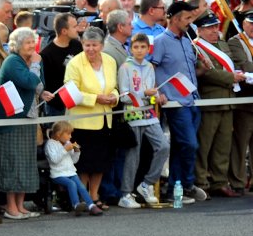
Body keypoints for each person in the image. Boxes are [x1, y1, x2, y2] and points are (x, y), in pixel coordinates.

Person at [149, 1, 208, 202]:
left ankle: (175, 190)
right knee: (190, 144)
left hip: (193, 101)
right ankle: (187, 184)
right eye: (187, 18)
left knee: (180, 146)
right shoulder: (160, 42)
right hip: (176, 104)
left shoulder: (187, 41)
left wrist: (203, 69)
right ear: (175, 19)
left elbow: (189, 73)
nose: (190, 22)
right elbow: (151, 68)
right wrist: (157, 91)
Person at [0, 27, 50, 219]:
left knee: (26, 163)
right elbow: (29, 82)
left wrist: (43, 92)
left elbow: (38, 83)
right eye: (27, 42)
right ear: (17, 45)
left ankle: (21, 205)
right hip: (12, 120)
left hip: (28, 118)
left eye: (33, 42)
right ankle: (11, 207)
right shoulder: (12, 61)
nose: (32, 46)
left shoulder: (31, 61)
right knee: (12, 162)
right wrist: (35, 65)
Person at [63, 27, 119, 208]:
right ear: (82, 44)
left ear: (102, 45)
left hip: (104, 119)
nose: (91, 49)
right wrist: (95, 98)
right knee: (84, 163)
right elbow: (70, 92)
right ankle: (84, 198)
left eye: (95, 45)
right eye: (87, 45)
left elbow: (114, 86)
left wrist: (114, 97)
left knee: (100, 162)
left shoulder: (110, 61)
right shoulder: (75, 64)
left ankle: (94, 196)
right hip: (82, 122)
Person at [116, 34, 169, 208]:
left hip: (149, 113)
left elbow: (151, 92)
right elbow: (124, 96)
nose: (139, 50)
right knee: (133, 155)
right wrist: (143, 94)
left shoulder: (150, 67)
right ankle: (125, 193)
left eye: (143, 47)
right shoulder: (125, 67)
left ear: (148, 49)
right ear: (131, 49)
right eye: (136, 47)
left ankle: (147, 184)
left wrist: (157, 97)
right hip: (133, 113)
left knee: (163, 146)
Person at [193, 13, 243, 197]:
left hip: (228, 100)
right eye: (209, 28)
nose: (215, 31)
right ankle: (201, 181)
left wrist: (239, 75)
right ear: (199, 30)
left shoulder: (223, 44)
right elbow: (206, 73)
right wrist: (231, 77)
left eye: (216, 26)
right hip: (210, 101)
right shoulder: (196, 47)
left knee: (223, 144)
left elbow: (231, 65)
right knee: (204, 145)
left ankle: (219, 181)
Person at [45, 121, 104, 216]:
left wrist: (76, 152)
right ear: (59, 134)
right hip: (58, 174)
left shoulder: (67, 143)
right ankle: (76, 205)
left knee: (81, 186)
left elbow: (74, 161)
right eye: (68, 134)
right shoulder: (50, 144)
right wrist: (65, 149)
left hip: (71, 172)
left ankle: (91, 205)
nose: (70, 136)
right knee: (71, 184)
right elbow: (54, 160)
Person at [227, 11, 253, 193]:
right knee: (240, 143)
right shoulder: (236, 42)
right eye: (251, 23)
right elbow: (246, 66)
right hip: (245, 102)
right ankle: (237, 182)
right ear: (244, 24)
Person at [40, 13, 83, 118]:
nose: (78, 29)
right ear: (64, 31)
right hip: (57, 107)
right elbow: (47, 84)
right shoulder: (46, 54)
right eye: (74, 27)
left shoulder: (77, 45)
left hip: (77, 101)